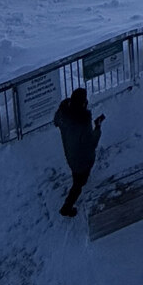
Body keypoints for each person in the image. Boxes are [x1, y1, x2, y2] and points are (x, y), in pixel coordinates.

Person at [53, 87, 104, 217]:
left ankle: (78, 184)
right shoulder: (83, 121)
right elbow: (91, 143)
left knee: (77, 176)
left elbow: (56, 121)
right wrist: (97, 127)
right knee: (79, 184)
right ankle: (66, 207)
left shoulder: (63, 113)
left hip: (69, 153)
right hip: (81, 160)